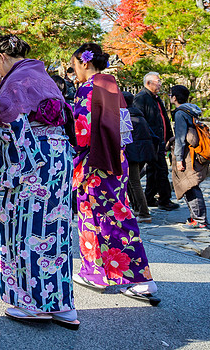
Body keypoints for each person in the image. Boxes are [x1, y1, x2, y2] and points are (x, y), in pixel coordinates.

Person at [0, 35, 78, 328]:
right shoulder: (43, 77)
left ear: (1, 57)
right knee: (57, 227)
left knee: (26, 228)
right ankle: (63, 304)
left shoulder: (14, 83)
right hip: (60, 156)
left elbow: (10, 130)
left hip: (33, 162)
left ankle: (31, 303)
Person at [70, 43, 159, 304]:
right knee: (110, 215)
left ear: (85, 63)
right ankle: (95, 272)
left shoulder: (87, 89)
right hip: (115, 158)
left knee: (103, 217)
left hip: (94, 162)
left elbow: (82, 133)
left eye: (74, 65)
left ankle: (140, 280)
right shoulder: (111, 87)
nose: (74, 71)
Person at [134, 71, 179, 211]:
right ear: (148, 83)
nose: (160, 84)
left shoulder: (156, 98)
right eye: (157, 81)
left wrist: (169, 136)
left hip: (159, 140)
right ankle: (164, 200)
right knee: (160, 170)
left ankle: (149, 197)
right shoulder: (141, 98)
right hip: (150, 141)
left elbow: (163, 119)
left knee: (155, 170)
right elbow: (140, 122)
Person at [169, 85, 209, 229]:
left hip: (187, 154)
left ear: (174, 97)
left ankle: (199, 219)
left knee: (189, 184)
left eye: (170, 95)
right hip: (194, 152)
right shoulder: (192, 111)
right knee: (191, 184)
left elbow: (180, 138)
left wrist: (179, 159)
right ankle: (196, 217)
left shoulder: (180, 113)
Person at [123, 91, 156, 224]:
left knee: (134, 183)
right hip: (144, 153)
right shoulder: (139, 115)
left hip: (132, 154)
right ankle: (137, 209)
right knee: (131, 182)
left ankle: (144, 213)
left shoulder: (126, 116)